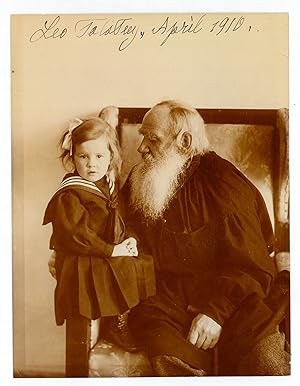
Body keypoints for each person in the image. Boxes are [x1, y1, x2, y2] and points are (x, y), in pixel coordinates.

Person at [121, 100, 290, 375]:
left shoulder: (224, 184)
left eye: (152, 138)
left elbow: (252, 265)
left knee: (265, 362)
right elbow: (119, 227)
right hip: (169, 301)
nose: (141, 148)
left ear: (185, 141)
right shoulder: (141, 178)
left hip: (235, 299)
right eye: (143, 137)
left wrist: (215, 313)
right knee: (161, 345)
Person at [43, 116, 156, 352]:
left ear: (111, 157)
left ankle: (131, 317)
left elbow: (122, 218)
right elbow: (76, 234)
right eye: (83, 157)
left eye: (99, 157)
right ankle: (117, 322)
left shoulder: (109, 183)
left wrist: (129, 240)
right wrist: (112, 250)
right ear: (72, 158)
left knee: (142, 262)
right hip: (82, 254)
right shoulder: (71, 194)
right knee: (120, 266)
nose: (91, 165)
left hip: (104, 249)